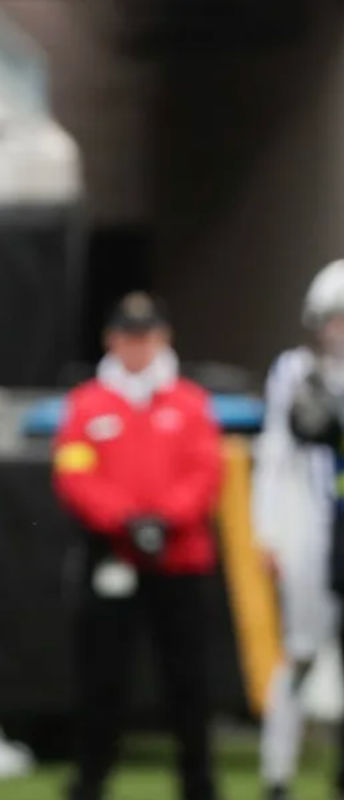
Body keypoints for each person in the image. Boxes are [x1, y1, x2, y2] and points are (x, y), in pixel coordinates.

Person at [53, 292, 223, 800]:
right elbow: (74, 472)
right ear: (112, 339)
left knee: (189, 680)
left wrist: (166, 520)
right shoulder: (88, 402)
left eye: (146, 336)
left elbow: (205, 470)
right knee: (102, 678)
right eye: (128, 336)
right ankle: (91, 777)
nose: (137, 347)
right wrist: (124, 520)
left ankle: (199, 781)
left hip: (181, 559)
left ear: (163, 338)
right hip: (113, 555)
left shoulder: (190, 401)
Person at [279, 261, 344, 800]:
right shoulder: (298, 372)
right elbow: (293, 439)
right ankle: (277, 775)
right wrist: (268, 530)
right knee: (299, 654)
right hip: (309, 531)